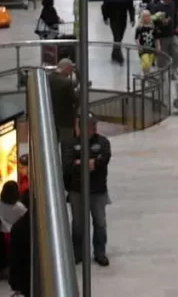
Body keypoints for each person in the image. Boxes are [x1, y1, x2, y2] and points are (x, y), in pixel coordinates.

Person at [64, 114, 112, 267]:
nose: (92, 128)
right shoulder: (69, 144)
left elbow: (104, 159)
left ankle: (100, 252)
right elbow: (68, 165)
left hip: (97, 190)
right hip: (77, 191)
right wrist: (89, 162)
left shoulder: (103, 142)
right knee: (78, 224)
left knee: (100, 223)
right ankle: (78, 254)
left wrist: (83, 162)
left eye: (93, 125)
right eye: (88, 125)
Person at [48, 59, 79, 145]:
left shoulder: (47, 78)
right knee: (66, 145)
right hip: (65, 121)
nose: (71, 72)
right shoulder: (67, 82)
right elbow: (76, 99)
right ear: (67, 68)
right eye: (71, 69)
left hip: (50, 118)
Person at [101, 0, 135, 65]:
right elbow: (104, 6)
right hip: (113, 17)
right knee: (117, 36)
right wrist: (105, 17)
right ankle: (119, 56)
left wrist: (132, 18)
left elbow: (130, 6)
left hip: (123, 18)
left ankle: (114, 54)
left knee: (119, 36)